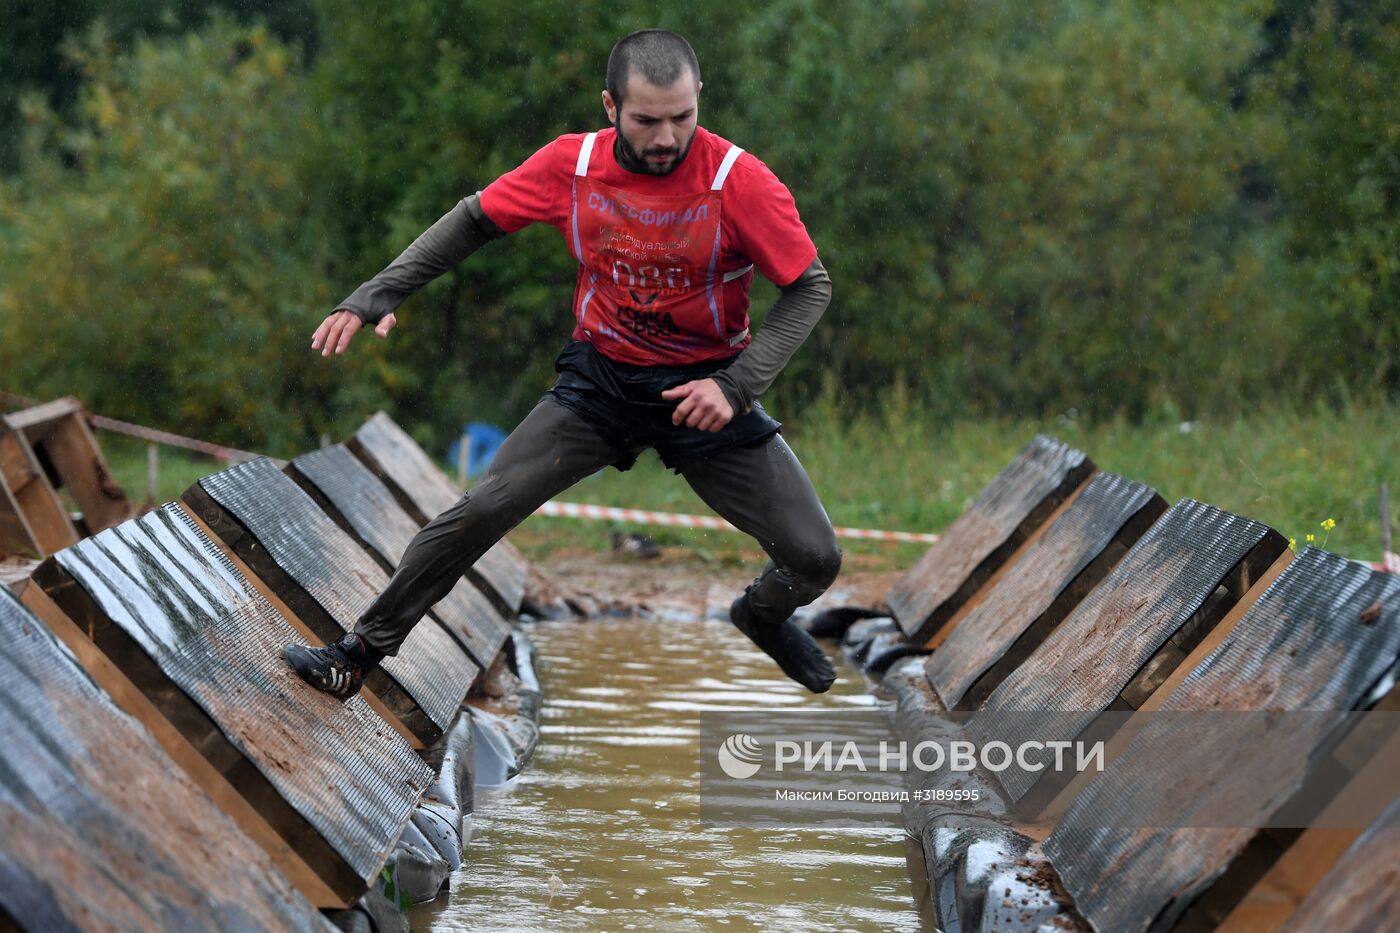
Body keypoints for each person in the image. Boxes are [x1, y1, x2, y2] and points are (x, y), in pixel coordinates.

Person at [283, 29, 841, 700]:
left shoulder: (737, 181)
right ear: (611, 108)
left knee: (815, 556)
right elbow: (472, 220)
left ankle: (760, 612)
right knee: (483, 507)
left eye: (682, 117)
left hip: (706, 390)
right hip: (601, 380)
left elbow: (810, 285)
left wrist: (737, 385)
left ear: (700, 100)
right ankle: (357, 653)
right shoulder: (569, 167)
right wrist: (379, 292)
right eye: (647, 120)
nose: (667, 137)